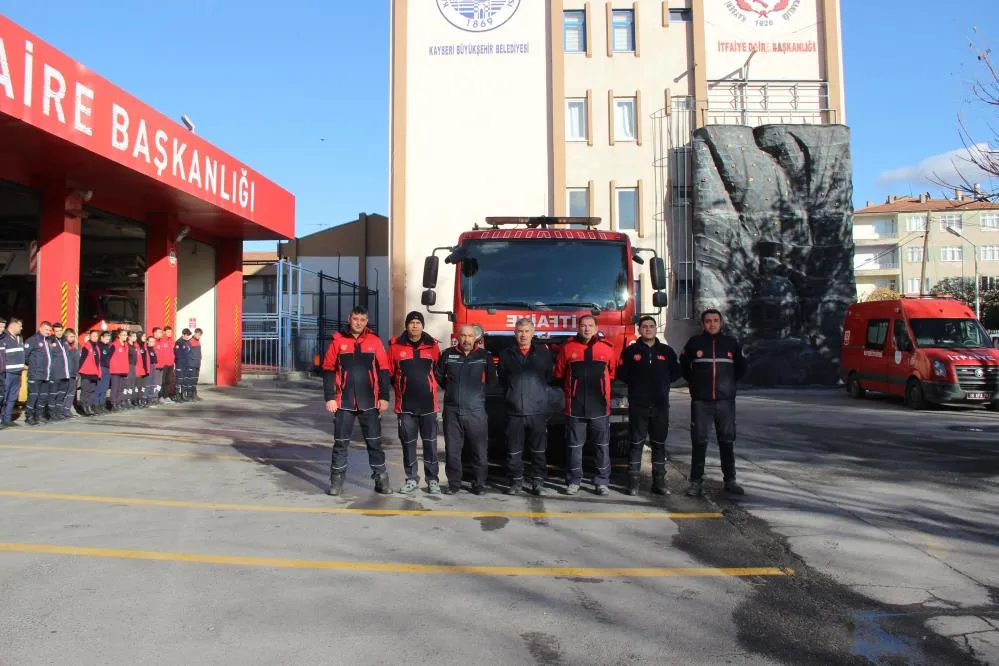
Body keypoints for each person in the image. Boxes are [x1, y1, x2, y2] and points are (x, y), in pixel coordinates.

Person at [322, 306, 392, 496]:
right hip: (343, 402)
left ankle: (381, 479)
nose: (358, 322)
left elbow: (384, 370)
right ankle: (336, 482)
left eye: (362, 319)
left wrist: (384, 397)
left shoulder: (375, 341)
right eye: (355, 319)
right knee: (340, 444)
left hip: (370, 402)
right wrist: (329, 398)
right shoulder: (338, 341)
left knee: (375, 443)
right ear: (349, 318)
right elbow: (328, 369)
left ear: (366, 321)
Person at [680, 308, 747, 497]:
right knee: (699, 442)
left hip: (725, 402)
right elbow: (684, 366)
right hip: (702, 402)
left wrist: (728, 386)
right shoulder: (694, 343)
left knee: (727, 441)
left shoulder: (731, 343)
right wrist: (696, 384)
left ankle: (730, 480)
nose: (712, 324)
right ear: (703, 324)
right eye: (708, 321)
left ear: (721, 323)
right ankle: (695, 482)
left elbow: (741, 368)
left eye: (716, 320)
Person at [617, 316, 681, 496]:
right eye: (644, 326)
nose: (648, 329)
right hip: (639, 405)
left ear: (655, 329)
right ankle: (633, 483)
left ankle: (659, 482)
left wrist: (663, 383)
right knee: (636, 443)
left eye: (651, 326)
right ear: (639, 329)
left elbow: (676, 372)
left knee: (659, 444)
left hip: (660, 406)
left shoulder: (666, 351)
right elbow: (622, 374)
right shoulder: (631, 352)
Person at [554, 315, 616, 495]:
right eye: (583, 326)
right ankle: (574, 481)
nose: (587, 329)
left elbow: (611, 374)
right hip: (575, 407)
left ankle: (602, 481)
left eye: (590, 326)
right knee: (574, 446)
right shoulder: (567, 349)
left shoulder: (607, 348)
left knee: (601, 446)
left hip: (600, 407)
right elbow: (559, 374)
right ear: (578, 328)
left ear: (596, 328)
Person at [436, 323, 497, 495]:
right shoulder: (448, 354)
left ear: (475, 337)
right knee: (453, 450)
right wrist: (453, 391)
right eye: (463, 336)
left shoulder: (484, 355)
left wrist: (478, 395)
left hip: (476, 410)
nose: (466, 339)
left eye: (470, 336)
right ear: (457, 337)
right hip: (452, 411)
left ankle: (479, 484)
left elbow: (492, 381)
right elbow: (439, 376)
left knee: (479, 450)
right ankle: (454, 483)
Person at [388, 311, 442, 495]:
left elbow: (438, 371)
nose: (415, 326)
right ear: (406, 326)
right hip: (405, 408)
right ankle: (411, 479)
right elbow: (389, 374)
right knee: (408, 444)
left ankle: (433, 480)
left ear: (423, 325)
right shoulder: (395, 346)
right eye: (411, 322)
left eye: (418, 322)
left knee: (430, 445)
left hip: (429, 406)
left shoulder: (433, 346)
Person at [497, 317, 554, 496]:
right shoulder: (506, 354)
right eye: (520, 331)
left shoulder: (544, 354)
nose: (523, 335)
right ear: (515, 333)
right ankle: (516, 481)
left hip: (537, 411)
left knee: (538, 450)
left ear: (533, 333)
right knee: (514, 450)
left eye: (527, 331)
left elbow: (548, 378)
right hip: (515, 411)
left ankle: (538, 481)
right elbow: (503, 379)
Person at [23, 321, 54, 425]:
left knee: (43, 397)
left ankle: (39, 415)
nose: (48, 332)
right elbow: (25, 355)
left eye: (50, 330)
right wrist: (32, 366)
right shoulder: (32, 340)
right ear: (40, 328)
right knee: (33, 396)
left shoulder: (48, 341)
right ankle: (29, 416)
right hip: (35, 374)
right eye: (46, 329)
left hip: (46, 375)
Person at [0, 317, 25, 428]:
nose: (21, 328)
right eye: (20, 326)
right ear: (13, 325)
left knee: (12, 397)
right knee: (3, 397)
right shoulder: (3, 338)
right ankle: (1, 419)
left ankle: (8, 419)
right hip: (8, 373)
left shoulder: (19, 338)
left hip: (17, 372)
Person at [78, 330, 102, 416]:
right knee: (85, 390)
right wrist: (79, 371)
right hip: (86, 372)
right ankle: (84, 407)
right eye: (93, 336)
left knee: (92, 391)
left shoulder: (97, 347)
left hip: (94, 373)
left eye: (96, 336)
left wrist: (99, 373)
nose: (95, 337)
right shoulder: (87, 346)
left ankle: (89, 406)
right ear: (90, 336)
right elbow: (82, 359)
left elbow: (98, 361)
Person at [108, 329, 131, 411]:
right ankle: (114, 404)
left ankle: (118, 402)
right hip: (115, 371)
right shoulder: (114, 345)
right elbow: (109, 357)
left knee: (120, 388)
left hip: (123, 370)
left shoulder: (126, 345)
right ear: (119, 335)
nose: (126, 336)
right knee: (115, 388)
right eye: (124, 335)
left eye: (126, 335)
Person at [173, 329, 194, 402]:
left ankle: (183, 395)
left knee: (185, 380)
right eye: (187, 335)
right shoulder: (179, 342)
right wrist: (181, 363)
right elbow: (177, 354)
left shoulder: (187, 342)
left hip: (186, 364)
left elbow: (190, 353)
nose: (188, 337)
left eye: (189, 335)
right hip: (180, 364)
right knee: (179, 380)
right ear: (183, 334)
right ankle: (177, 396)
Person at [190, 328, 204, 401]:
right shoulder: (190, 341)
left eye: (200, 335)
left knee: (195, 380)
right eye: (198, 334)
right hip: (192, 364)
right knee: (191, 380)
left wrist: (200, 357)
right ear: (195, 333)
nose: (199, 336)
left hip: (197, 364)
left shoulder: (198, 341)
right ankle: (190, 395)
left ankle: (194, 394)